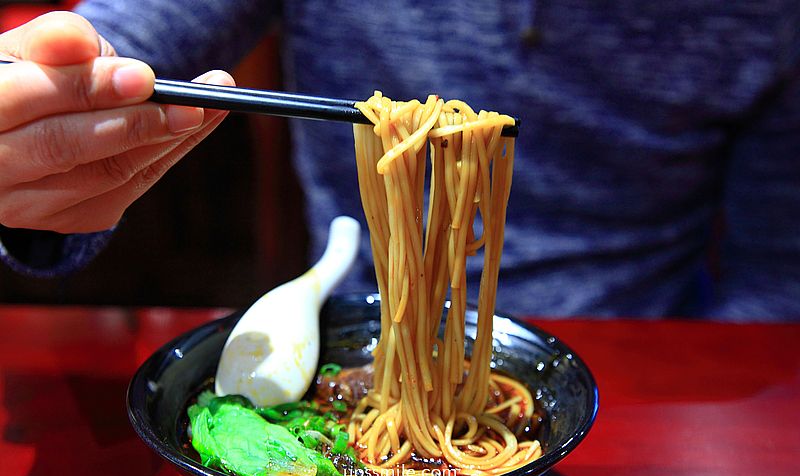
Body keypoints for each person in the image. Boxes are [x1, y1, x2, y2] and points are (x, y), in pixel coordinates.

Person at [0, 3, 798, 320]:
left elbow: (778, 285)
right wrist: (48, 126)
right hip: (356, 337)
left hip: (627, 369)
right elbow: (124, 47)